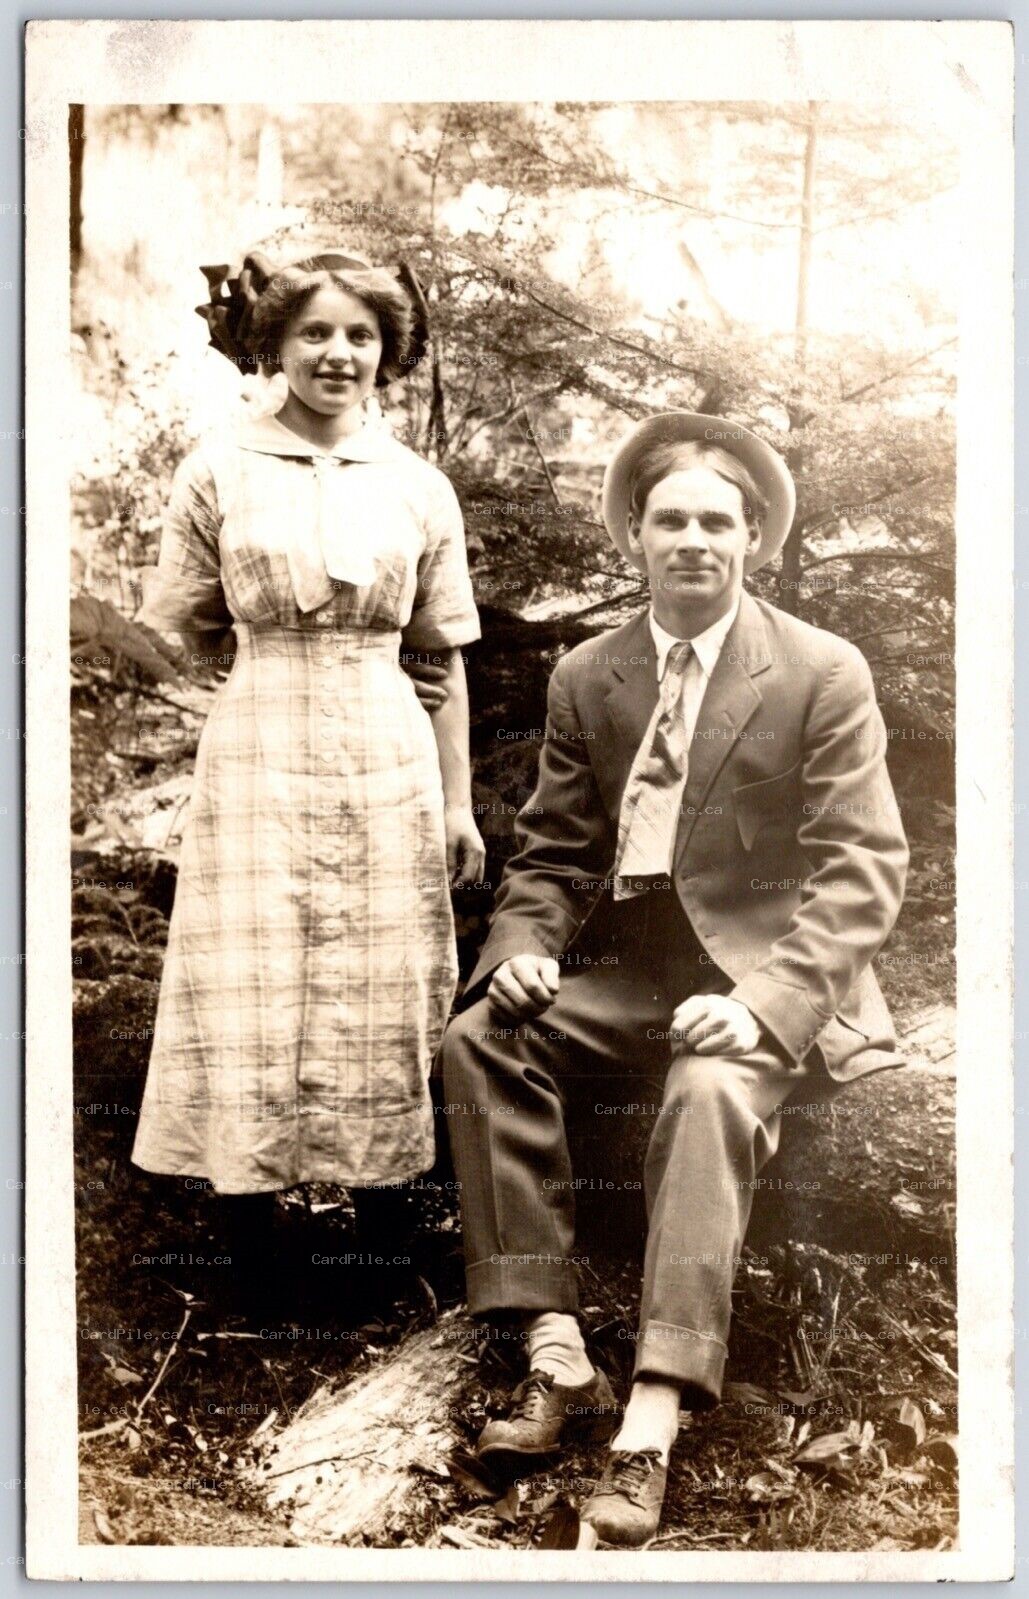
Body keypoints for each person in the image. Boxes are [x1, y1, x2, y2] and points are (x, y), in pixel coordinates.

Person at [440, 411, 908, 1545]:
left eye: (718, 521)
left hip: (766, 961)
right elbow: (552, 851)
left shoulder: (818, 670)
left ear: (756, 540)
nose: (693, 540)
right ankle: (555, 1351)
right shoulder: (590, 675)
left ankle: (650, 1415)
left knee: (706, 1085)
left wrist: (761, 1006)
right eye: (670, 521)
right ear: (635, 541)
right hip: (633, 959)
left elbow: (863, 867)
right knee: (479, 1040)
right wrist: (522, 950)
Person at [131, 246, 484, 1272]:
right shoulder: (217, 471)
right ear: (277, 346)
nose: (339, 354)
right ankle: (250, 1230)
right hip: (258, 750)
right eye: (316, 333)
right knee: (250, 968)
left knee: (386, 966)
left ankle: (382, 1231)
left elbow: (441, 658)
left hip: (387, 749)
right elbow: (171, 634)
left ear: (388, 352)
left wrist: (458, 806)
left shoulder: (418, 487)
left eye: (361, 335)